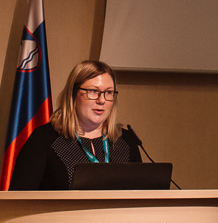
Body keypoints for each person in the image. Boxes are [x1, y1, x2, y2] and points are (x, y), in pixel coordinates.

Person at [9, 59, 141, 190]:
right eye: (93, 91)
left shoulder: (126, 141)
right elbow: (18, 198)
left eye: (108, 92)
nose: (102, 100)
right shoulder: (44, 140)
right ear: (73, 94)